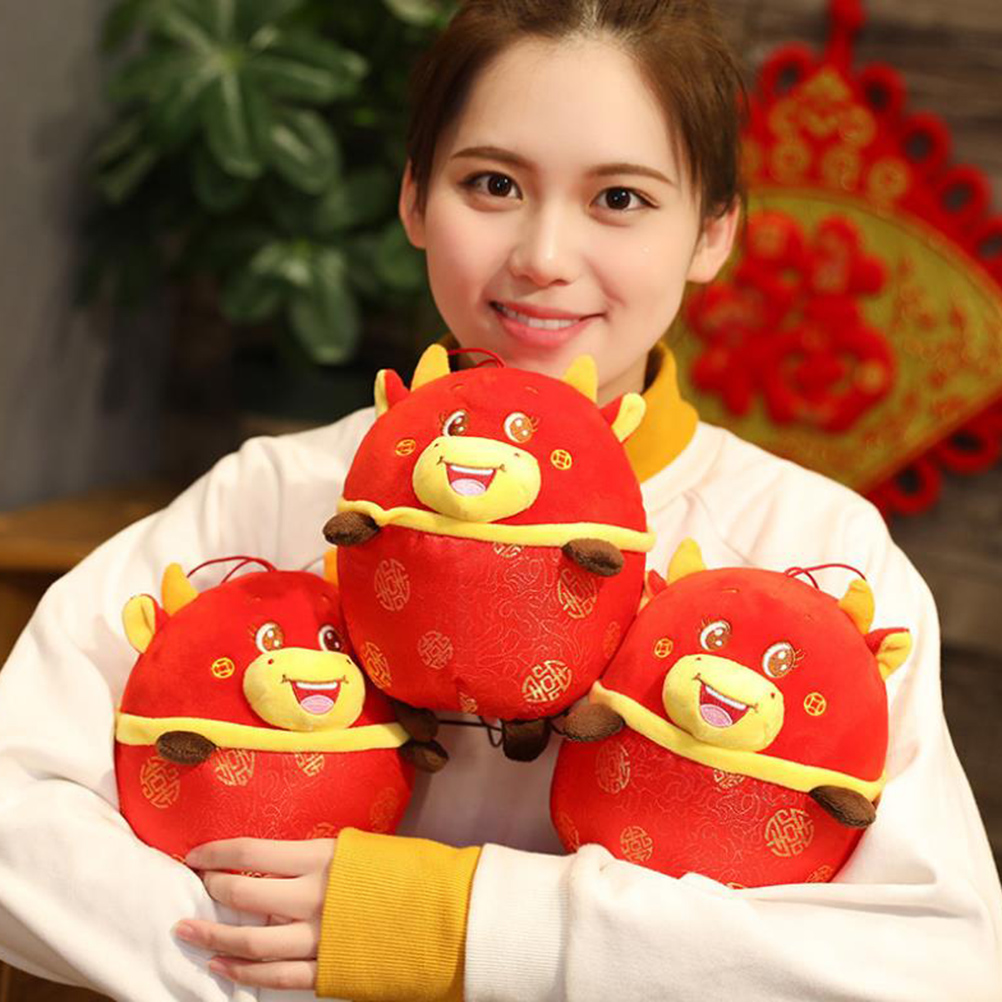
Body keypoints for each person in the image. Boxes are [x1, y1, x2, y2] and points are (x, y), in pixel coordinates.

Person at [1, 1, 1000, 999]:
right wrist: (263, 967)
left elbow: (939, 960)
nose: (543, 256)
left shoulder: (810, 549)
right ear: (413, 198)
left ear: (712, 231)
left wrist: (456, 929)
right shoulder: (278, 495)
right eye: (492, 184)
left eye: (619, 198)